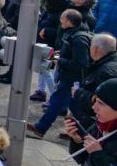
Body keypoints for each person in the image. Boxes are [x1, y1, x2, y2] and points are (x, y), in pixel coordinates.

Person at [28, 8, 92, 139]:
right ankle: (83, 132)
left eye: (62, 19)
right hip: (70, 77)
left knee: (56, 102)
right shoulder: (72, 34)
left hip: (72, 78)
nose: (60, 21)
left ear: (68, 21)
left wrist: (59, 60)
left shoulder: (78, 38)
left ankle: (41, 128)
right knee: (75, 107)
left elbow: (80, 63)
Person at [71, 33, 117, 129]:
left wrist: (78, 93)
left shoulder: (106, 71)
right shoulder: (106, 63)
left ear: (95, 49)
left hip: (94, 124)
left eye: (90, 46)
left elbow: (104, 101)